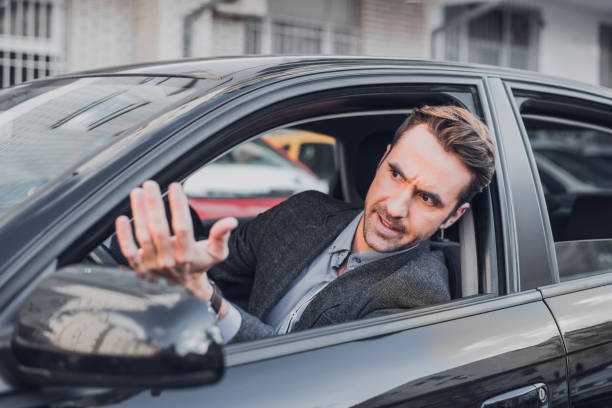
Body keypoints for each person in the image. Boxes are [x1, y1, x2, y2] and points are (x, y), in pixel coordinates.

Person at [115, 105, 495, 344]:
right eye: (396, 174)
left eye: (427, 198)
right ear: (382, 161)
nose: (396, 208)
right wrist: (170, 255)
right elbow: (207, 263)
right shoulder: (304, 213)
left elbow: (308, 381)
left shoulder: (418, 298)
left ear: (452, 216)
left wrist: (207, 299)